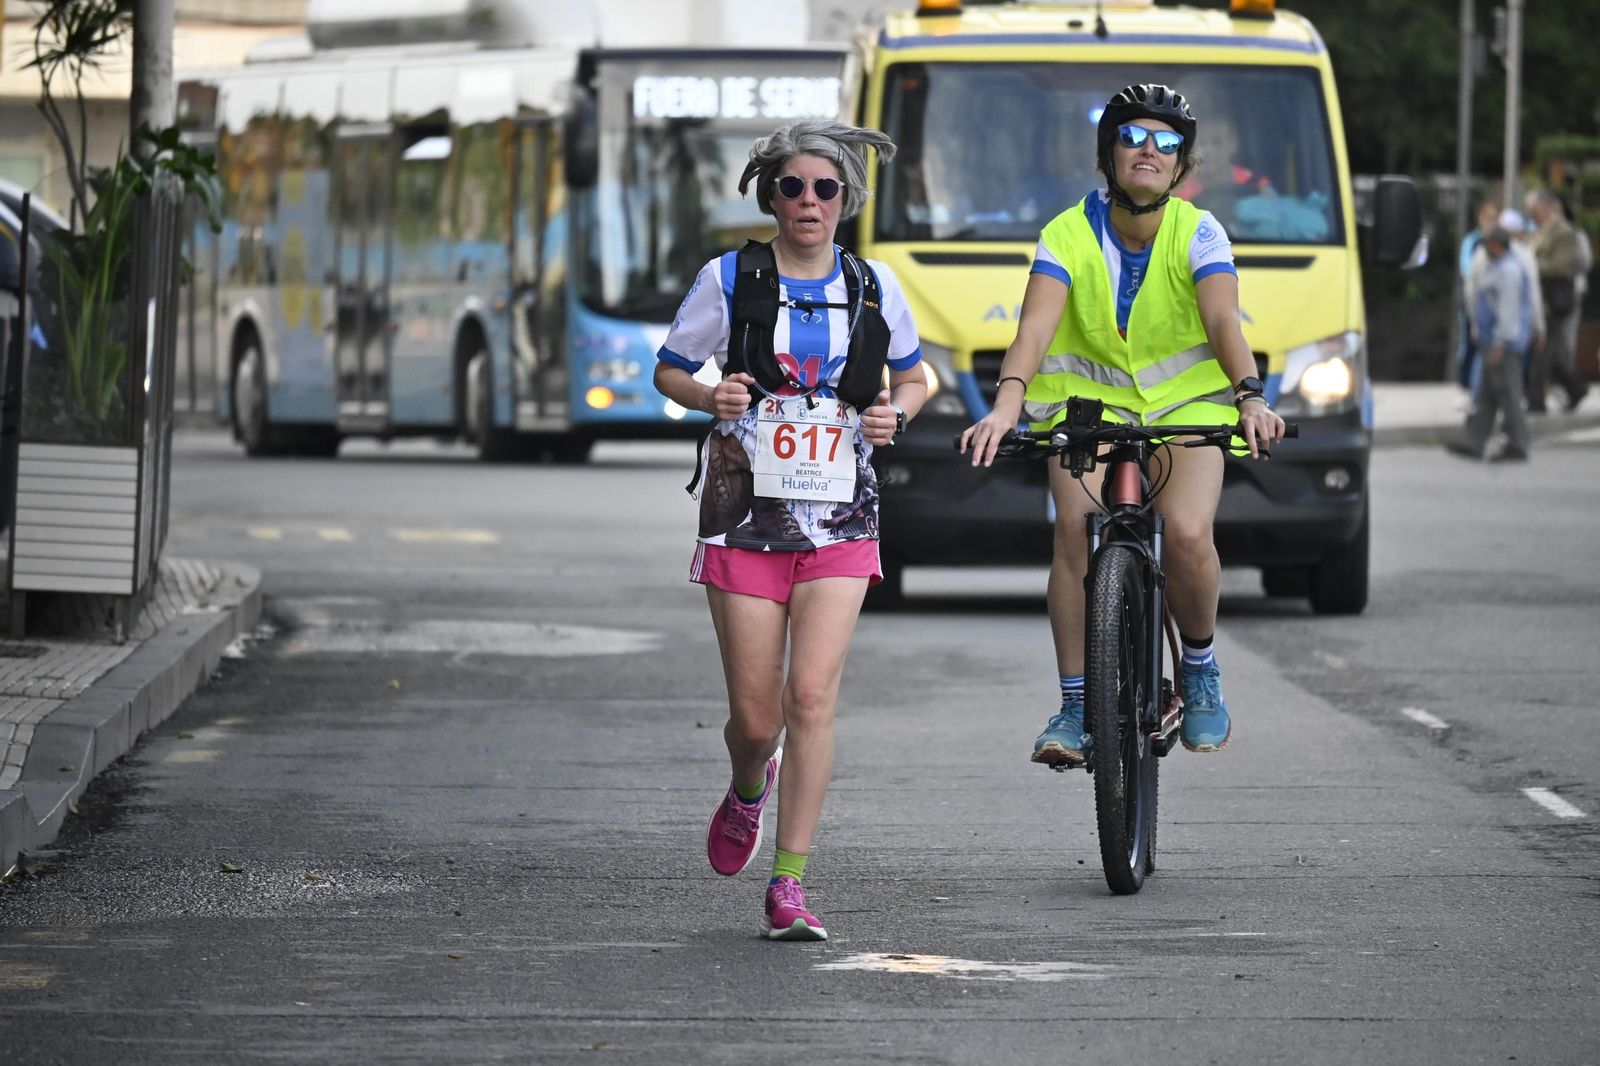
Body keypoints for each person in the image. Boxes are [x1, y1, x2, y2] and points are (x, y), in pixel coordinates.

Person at [651, 120, 926, 941]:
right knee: (759, 718)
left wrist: (892, 416)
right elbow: (669, 365)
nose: (808, 202)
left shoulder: (874, 287)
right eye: (792, 187)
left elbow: (914, 377)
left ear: (848, 200)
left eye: (825, 188)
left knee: (811, 697)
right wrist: (708, 399)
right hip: (744, 517)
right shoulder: (730, 278)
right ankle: (747, 785)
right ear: (769, 195)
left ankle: (790, 883)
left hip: (842, 511)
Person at [960, 84, 1285, 766]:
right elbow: (1035, 327)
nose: (1149, 150)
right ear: (1109, 154)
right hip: (1087, 408)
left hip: (1186, 408)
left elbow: (1225, 319)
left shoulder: (1200, 232)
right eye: (1134, 136)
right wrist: (1006, 404)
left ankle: (1198, 671)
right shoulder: (1066, 233)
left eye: (1166, 142)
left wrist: (1250, 396)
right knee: (1073, 533)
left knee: (1191, 532)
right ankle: (1077, 708)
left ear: (1181, 165)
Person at [1446, 227, 1534, 462]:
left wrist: (1500, 342)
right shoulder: (1501, 267)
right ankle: (1475, 441)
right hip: (1492, 342)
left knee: (1509, 395)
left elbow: (1508, 310)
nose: (1485, 249)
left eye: (1488, 244)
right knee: (1486, 395)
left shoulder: (1508, 271)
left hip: (1503, 344)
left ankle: (1517, 444)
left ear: (1497, 245)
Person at [1524, 189, 1590, 413]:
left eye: (1533, 209)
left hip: (1554, 301)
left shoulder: (1563, 232)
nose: (1530, 213)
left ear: (1543, 208)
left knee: (1542, 351)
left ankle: (1536, 400)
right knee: (1550, 352)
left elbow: (1563, 266)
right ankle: (1575, 388)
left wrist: (1531, 266)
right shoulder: (1539, 231)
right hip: (1539, 300)